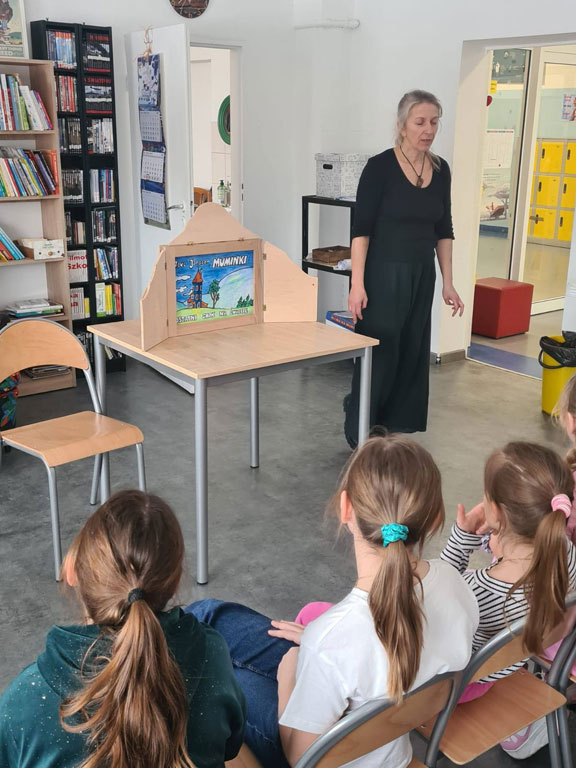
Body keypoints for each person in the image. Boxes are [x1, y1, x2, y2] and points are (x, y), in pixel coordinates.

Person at [186, 434, 479, 768]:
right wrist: (320, 645)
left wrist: (288, 678)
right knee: (208, 616)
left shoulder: (333, 638)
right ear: (436, 517)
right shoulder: (456, 583)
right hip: (383, 739)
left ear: (345, 508)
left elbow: (302, 757)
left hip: (325, 755)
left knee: (206, 678)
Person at [0, 490, 245, 768]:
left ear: (72, 572)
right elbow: (231, 745)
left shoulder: (24, 701)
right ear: (174, 582)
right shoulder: (212, 656)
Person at [441, 441, 576, 759]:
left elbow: (435, 593)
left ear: (497, 512)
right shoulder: (565, 553)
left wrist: (461, 540)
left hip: (461, 685)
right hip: (505, 665)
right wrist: (498, 542)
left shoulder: (474, 589)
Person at [344, 90, 464, 448]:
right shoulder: (379, 167)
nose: (429, 130)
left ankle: (393, 433)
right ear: (402, 125)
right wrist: (357, 284)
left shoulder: (440, 170)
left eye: (434, 122)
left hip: (421, 276)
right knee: (380, 353)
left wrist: (448, 283)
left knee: (411, 353)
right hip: (382, 275)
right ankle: (361, 430)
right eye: (420, 122)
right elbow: (361, 231)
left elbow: (444, 230)